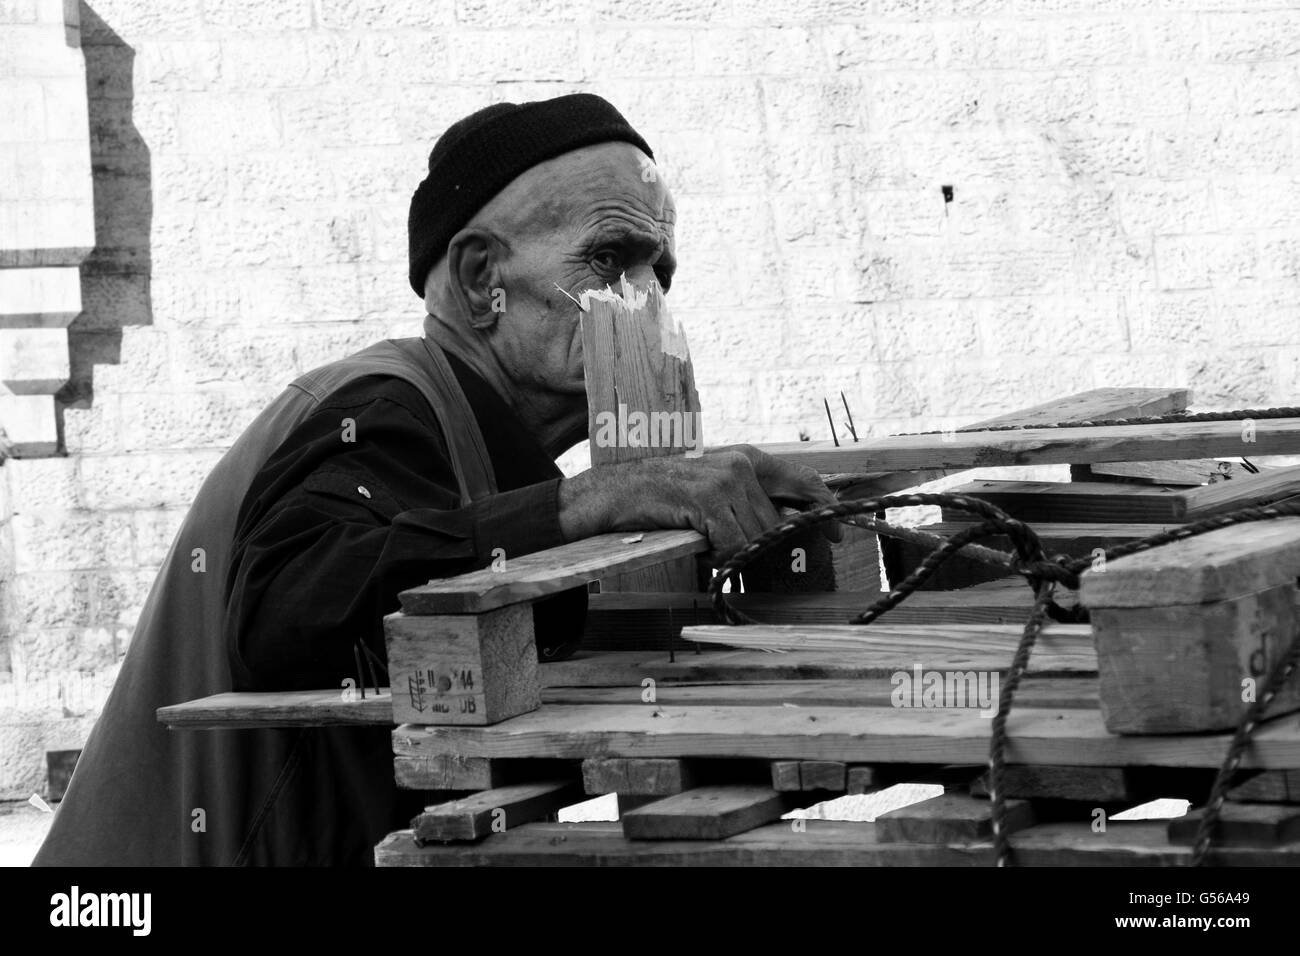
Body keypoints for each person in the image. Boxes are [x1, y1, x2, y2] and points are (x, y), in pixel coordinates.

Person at [33, 93, 838, 867]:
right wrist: (591, 500)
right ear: (483, 276)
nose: (650, 300)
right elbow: (285, 614)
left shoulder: (488, 456)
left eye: (661, 269)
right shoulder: (383, 407)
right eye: (609, 260)